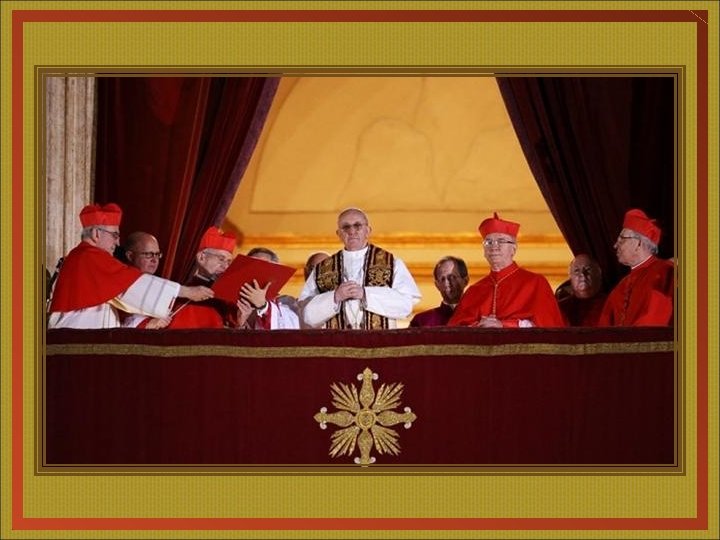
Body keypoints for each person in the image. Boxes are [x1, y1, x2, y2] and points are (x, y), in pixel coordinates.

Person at [47, 203, 213, 329]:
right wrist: (185, 291)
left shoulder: (85, 257)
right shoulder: (88, 257)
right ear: (97, 234)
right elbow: (130, 286)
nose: (118, 242)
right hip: (78, 342)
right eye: (115, 235)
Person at [298, 207, 421, 329]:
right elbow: (307, 316)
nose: (352, 231)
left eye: (357, 226)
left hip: (379, 341)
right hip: (338, 342)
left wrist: (365, 294)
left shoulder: (392, 263)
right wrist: (335, 297)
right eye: (346, 227)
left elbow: (405, 306)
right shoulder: (322, 269)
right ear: (339, 234)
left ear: (367, 231)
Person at [448, 212, 565, 328]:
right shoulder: (473, 291)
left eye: (501, 241)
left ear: (513, 249)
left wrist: (504, 325)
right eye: (488, 242)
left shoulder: (536, 283)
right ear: (484, 251)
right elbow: (454, 331)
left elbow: (548, 328)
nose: (494, 247)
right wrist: (479, 326)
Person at [598, 208, 674, 326]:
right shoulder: (620, 286)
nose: (615, 245)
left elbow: (656, 320)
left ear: (638, 243)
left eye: (622, 240)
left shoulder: (665, 271)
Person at [165, 227, 240, 329]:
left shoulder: (229, 299)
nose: (225, 266)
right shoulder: (182, 295)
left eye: (228, 262)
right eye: (221, 259)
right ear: (202, 257)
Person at [236, 247, 300, 330]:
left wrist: (263, 306)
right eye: (253, 266)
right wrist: (240, 324)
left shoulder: (286, 305)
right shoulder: (233, 304)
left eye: (263, 267)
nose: (257, 272)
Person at [121, 231, 170, 329]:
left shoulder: (158, 285)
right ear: (130, 256)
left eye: (157, 254)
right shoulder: (121, 284)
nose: (154, 260)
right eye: (148, 254)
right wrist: (148, 324)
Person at [409, 256, 469, 327]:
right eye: (442, 279)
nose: (447, 283)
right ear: (437, 285)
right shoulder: (421, 321)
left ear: (465, 280)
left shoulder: (478, 318)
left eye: (452, 277)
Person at [558, 253, 607, 326]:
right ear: (570, 278)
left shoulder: (610, 303)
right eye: (577, 270)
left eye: (588, 269)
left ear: (598, 274)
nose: (582, 274)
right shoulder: (560, 308)